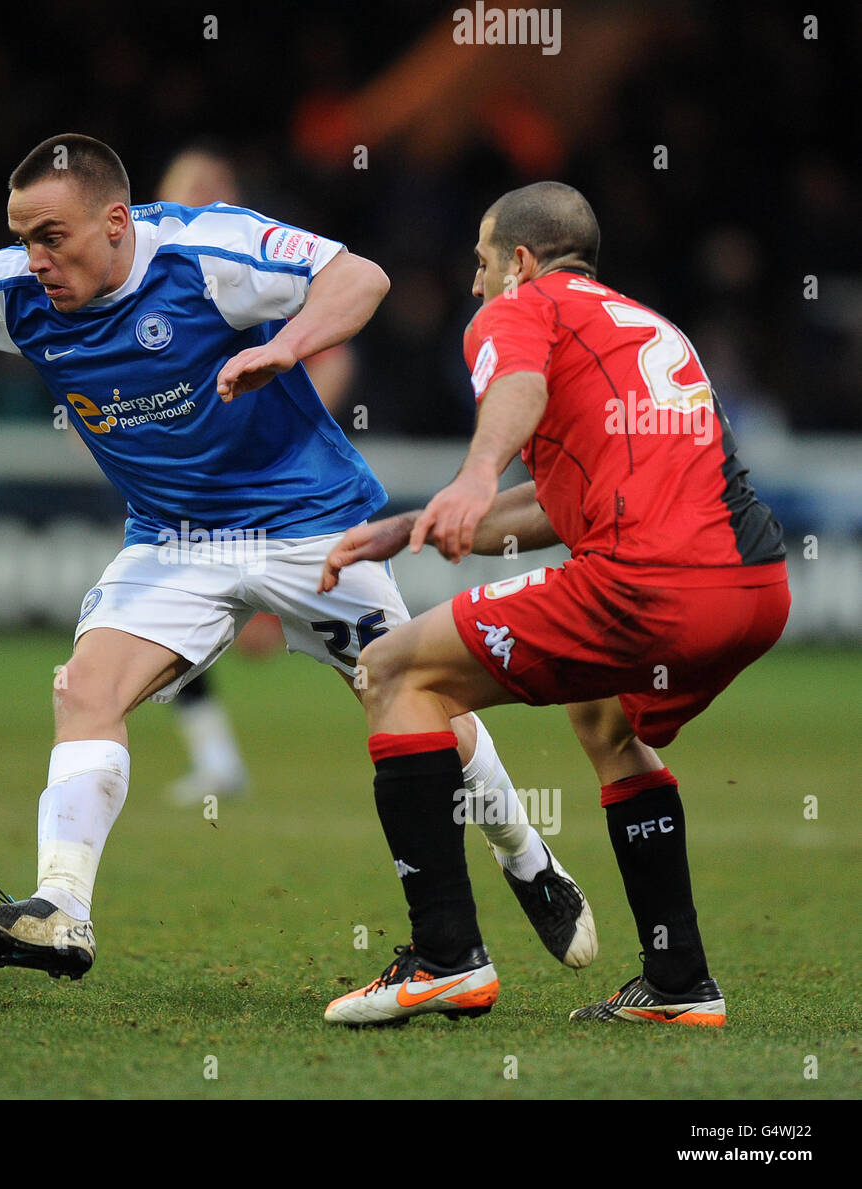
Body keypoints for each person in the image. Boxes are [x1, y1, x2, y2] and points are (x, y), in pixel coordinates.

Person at [0, 135, 596, 986]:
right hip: (172, 544)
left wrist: (288, 349)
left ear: (114, 221)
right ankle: (61, 910)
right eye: (22, 237)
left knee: (415, 700)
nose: (35, 259)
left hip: (311, 529)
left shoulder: (205, 252)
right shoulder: (17, 291)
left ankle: (527, 859)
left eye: (52, 237)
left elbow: (365, 278)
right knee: (84, 688)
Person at [319, 180, 789, 1027]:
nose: (473, 282)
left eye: (481, 260)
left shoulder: (518, 309)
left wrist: (471, 474)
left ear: (521, 262)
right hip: (755, 587)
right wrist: (413, 526)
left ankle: (444, 959)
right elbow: (555, 501)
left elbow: (518, 392)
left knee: (392, 671)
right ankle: (680, 983)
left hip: (650, 584)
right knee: (603, 719)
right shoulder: (645, 326)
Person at [154, 145, 358, 806]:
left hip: (282, 486)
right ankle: (216, 760)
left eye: (215, 185)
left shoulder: (261, 266)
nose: (203, 198)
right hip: (192, 491)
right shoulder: (145, 286)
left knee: (357, 639)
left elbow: (336, 357)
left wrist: (280, 423)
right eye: (188, 188)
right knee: (151, 628)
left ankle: (432, 748)